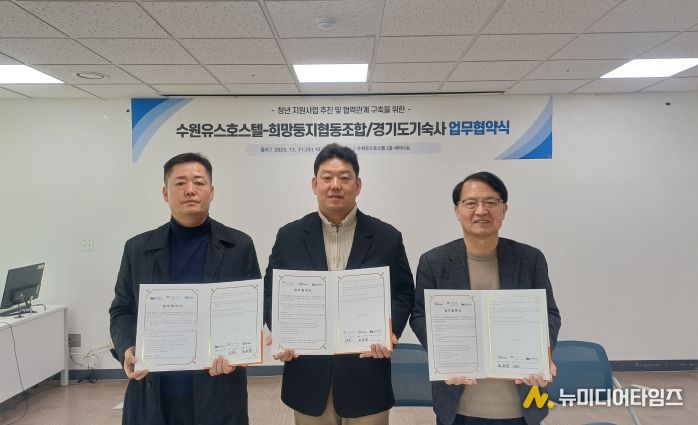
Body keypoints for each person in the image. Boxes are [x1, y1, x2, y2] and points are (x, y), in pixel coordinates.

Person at [263, 143, 415, 425]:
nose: (335, 185)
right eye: (327, 177)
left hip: (366, 370)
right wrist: (282, 332)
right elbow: (271, 291)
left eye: (344, 178)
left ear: (358, 185)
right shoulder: (289, 236)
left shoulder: (387, 237)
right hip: (307, 370)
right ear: (314, 184)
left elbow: (403, 291)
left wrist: (390, 329)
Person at [109, 152, 261, 425]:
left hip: (218, 387)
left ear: (212, 191)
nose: (190, 190)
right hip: (154, 389)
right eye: (180, 183)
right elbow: (122, 309)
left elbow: (251, 313)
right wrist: (127, 346)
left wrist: (240, 354)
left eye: (199, 182)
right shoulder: (137, 249)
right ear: (165, 193)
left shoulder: (239, 246)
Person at [410, 172, 561, 425]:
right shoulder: (434, 262)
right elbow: (419, 315)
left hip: (521, 401)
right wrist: (443, 357)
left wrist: (542, 353)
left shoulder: (530, 258)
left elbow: (549, 314)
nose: (481, 210)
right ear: (457, 211)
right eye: (471, 203)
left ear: (504, 209)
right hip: (458, 402)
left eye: (491, 202)